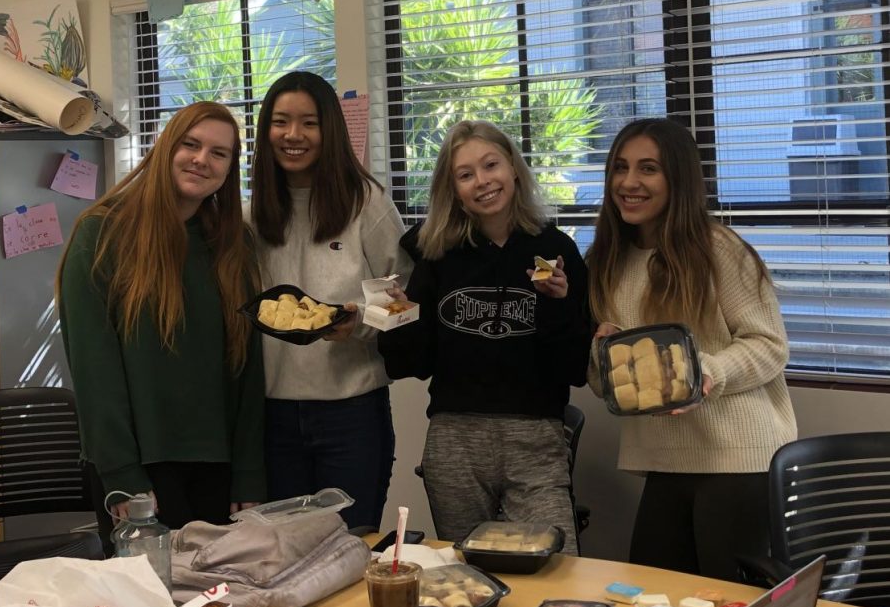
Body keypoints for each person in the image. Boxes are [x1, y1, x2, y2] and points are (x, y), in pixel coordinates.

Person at [585, 117, 797, 581]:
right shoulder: (606, 260)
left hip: (739, 459)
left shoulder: (717, 249)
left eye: (648, 169)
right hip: (665, 462)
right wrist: (601, 359)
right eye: (620, 167)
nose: (629, 182)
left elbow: (769, 345)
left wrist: (707, 372)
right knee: (651, 605)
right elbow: (609, 383)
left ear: (677, 179)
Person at [57, 101, 266, 546]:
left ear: (230, 169)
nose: (201, 160)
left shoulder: (233, 246)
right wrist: (120, 472)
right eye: (190, 145)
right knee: (149, 606)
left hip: (220, 469)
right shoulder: (101, 234)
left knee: (221, 606)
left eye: (218, 153)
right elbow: (94, 368)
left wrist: (250, 472)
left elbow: (247, 366)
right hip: (140, 471)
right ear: (165, 147)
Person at [378, 120, 591, 555]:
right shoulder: (437, 256)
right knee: (468, 574)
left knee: (557, 566)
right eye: (465, 174)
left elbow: (574, 369)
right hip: (455, 441)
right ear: (453, 189)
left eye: (490, 164)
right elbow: (410, 364)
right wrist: (395, 313)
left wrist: (557, 304)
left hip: (536, 439)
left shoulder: (556, 251)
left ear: (513, 167)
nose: (482, 181)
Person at [249, 71, 412, 530]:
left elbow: (407, 302)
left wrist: (360, 320)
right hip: (271, 415)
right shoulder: (251, 213)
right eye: (281, 122)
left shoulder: (366, 203)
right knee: (283, 552)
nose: (293, 135)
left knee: (352, 545)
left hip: (351, 411)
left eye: (309, 123)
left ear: (331, 131)